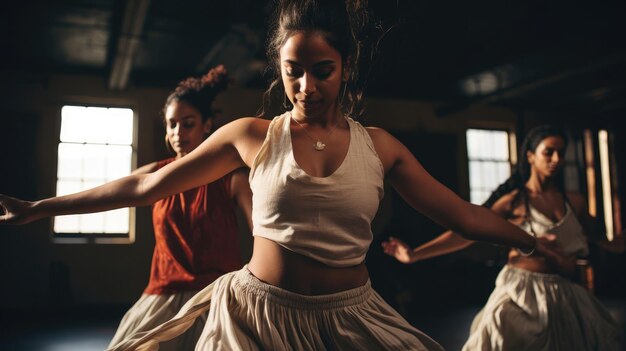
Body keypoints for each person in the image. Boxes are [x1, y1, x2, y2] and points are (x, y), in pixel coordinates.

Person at [1, 1, 559, 350]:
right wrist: (41, 207)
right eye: (294, 73)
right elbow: (146, 184)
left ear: (345, 70)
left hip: (350, 319)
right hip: (256, 319)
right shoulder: (251, 135)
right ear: (280, 68)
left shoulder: (380, 148)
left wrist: (533, 239)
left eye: (323, 73)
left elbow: (460, 213)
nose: (306, 88)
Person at [383, 125, 623, 350]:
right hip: (521, 292)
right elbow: (467, 231)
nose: (557, 159)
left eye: (561, 153)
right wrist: (415, 255)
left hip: (565, 293)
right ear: (530, 156)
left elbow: (604, 240)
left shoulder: (575, 201)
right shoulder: (514, 201)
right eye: (549, 152)